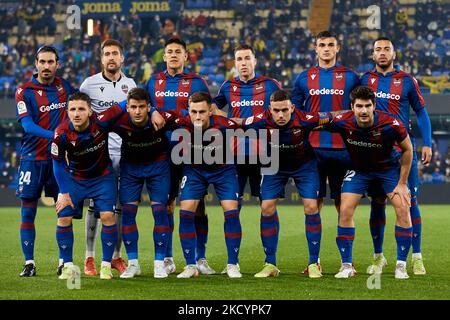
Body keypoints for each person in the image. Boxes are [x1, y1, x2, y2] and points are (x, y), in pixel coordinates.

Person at [237, 90, 331, 278]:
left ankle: (314, 263)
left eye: (285, 110)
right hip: (274, 166)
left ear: (292, 108)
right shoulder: (259, 121)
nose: (281, 115)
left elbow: (332, 118)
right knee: (266, 207)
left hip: (305, 166)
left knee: (312, 207)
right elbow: (236, 123)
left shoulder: (306, 118)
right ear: (269, 109)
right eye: (276, 110)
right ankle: (270, 263)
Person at [360, 37, 432, 275]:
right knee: (377, 201)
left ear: (394, 53)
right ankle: (379, 256)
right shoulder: (364, 80)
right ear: (373, 55)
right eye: (378, 49)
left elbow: (421, 113)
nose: (382, 53)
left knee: (410, 201)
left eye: (386, 49)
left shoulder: (407, 81)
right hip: (374, 152)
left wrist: (427, 143)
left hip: (403, 152)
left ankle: (417, 257)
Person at [291, 31, 360, 273]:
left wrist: (335, 119)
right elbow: (296, 116)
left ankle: (347, 263)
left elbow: (358, 110)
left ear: (338, 48)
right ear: (315, 48)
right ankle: (314, 262)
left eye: (331, 44)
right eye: (322, 45)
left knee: (344, 206)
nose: (327, 48)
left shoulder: (351, 77)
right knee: (313, 205)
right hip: (314, 151)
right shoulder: (303, 78)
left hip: (344, 150)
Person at [329, 86, 414, 279]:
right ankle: (347, 265)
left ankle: (401, 265)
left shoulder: (391, 124)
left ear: (374, 106)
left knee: (402, 207)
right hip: (359, 171)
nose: (364, 110)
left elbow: (408, 149)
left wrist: (402, 183)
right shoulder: (342, 121)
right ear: (352, 107)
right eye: (359, 106)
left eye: (368, 106)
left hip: (388, 170)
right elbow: (315, 123)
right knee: (345, 209)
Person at [146, 38, 214, 275]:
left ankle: (200, 257)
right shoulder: (153, 81)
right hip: (162, 150)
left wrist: (168, 114)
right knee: (167, 205)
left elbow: (205, 113)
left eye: (178, 52)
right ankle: (167, 257)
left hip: (190, 149)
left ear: (186, 56)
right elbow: (144, 106)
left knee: (197, 206)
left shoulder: (197, 81)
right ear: (164, 56)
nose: (174, 55)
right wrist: (153, 110)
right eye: (169, 52)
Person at [96, 88, 174, 279]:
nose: (137, 111)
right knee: (128, 214)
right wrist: (122, 105)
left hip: (158, 167)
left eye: (141, 107)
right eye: (133, 107)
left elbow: (187, 119)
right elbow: (99, 121)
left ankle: (159, 263)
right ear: (127, 108)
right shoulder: (120, 120)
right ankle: (133, 264)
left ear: (148, 107)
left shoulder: (161, 118)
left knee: (159, 211)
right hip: (131, 169)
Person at [15, 45, 76, 277]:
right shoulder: (24, 91)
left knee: (65, 211)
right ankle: (29, 262)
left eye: (51, 62)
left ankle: (65, 262)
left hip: (58, 161)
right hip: (32, 159)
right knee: (28, 212)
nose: (47, 66)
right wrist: (57, 136)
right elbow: (28, 126)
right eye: (42, 62)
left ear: (57, 64)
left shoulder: (64, 87)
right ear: (36, 63)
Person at [79, 39, 137, 277]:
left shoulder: (131, 84)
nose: (111, 58)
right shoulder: (89, 84)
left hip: (125, 154)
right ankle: (89, 257)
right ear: (101, 59)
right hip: (99, 154)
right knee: (96, 207)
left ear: (122, 58)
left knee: (121, 208)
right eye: (107, 54)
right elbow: (77, 115)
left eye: (115, 54)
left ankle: (115, 257)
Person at [171, 92, 242, 279]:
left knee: (231, 211)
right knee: (186, 211)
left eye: (202, 112)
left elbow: (250, 125)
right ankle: (191, 265)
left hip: (223, 170)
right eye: (193, 112)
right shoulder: (182, 123)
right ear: (188, 110)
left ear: (210, 110)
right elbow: (159, 117)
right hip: (194, 170)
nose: (197, 116)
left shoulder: (225, 125)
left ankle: (233, 264)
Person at [51, 92, 118, 280]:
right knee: (63, 216)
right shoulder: (61, 133)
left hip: (102, 177)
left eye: (81, 109)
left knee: (107, 216)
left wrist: (152, 110)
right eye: (72, 109)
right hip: (75, 178)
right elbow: (57, 164)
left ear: (90, 111)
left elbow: (123, 104)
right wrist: (63, 192)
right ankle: (68, 266)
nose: (76, 113)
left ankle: (105, 266)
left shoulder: (102, 121)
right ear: (67, 112)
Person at [212, 44, 282, 216]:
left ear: (255, 61)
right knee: (233, 206)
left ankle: (269, 244)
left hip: (265, 152)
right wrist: (227, 118)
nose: (243, 63)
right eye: (239, 59)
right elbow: (212, 108)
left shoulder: (270, 85)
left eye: (247, 58)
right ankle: (234, 245)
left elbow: (283, 109)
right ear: (235, 63)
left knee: (267, 206)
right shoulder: (228, 86)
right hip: (236, 152)